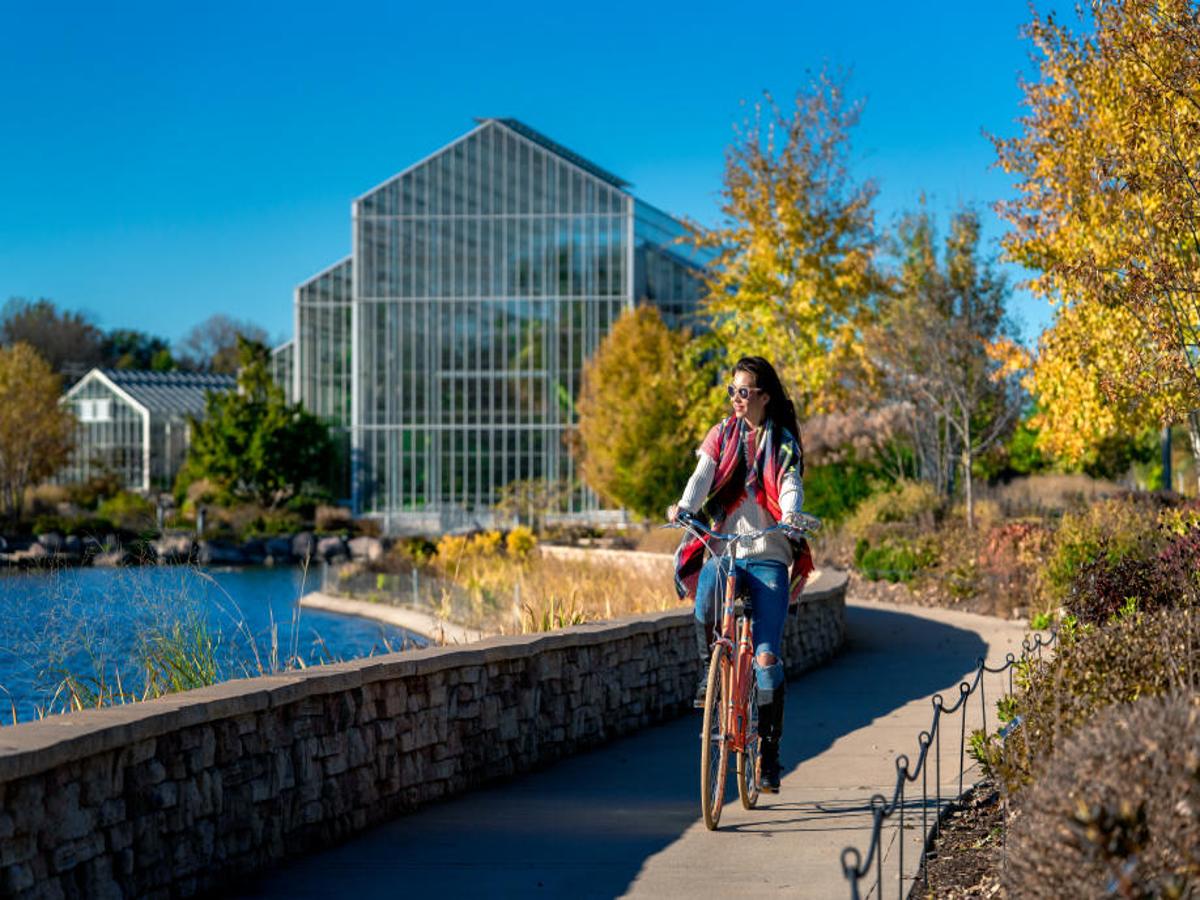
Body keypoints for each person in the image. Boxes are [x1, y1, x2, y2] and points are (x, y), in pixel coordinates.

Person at [669, 356, 813, 793]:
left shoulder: (782, 441)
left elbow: (790, 483)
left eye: (744, 391)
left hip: (768, 555)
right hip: (726, 551)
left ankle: (768, 755)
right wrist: (685, 507)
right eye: (732, 390)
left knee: (766, 658)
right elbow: (702, 475)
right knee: (705, 599)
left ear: (764, 397)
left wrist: (791, 514)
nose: (736, 397)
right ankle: (707, 673)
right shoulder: (722, 434)